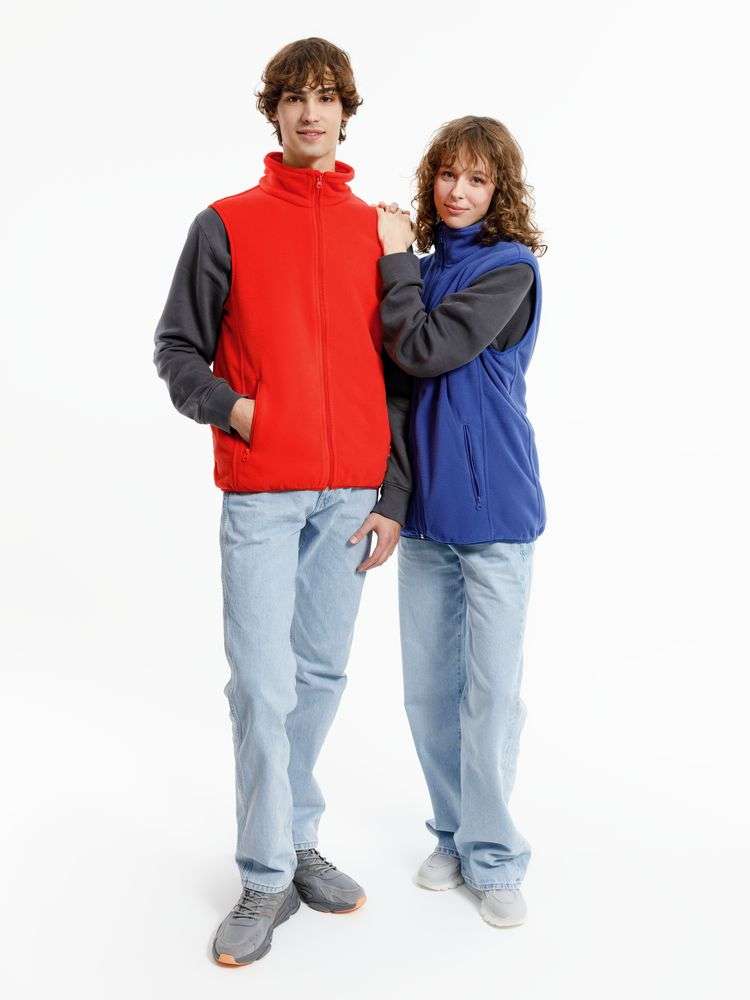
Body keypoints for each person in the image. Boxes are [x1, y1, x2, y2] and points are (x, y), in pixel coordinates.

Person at [152, 38, 412, 966]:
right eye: (294, 97)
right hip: (263, 491)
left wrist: (391, 491)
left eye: (327, 96)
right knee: (263, 686)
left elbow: (405, 369)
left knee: (321, 677)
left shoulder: (378, 231)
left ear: (347, 111)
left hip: (352, 495)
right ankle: (265, 876)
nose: (311, 111)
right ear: (274, 112)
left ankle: (298, 838)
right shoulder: (224, 223)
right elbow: (176, 348)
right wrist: (238, 410)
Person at [375, 116, 546, 928]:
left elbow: (423, 347)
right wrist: (392, 501)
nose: (458, 191)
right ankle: (451, 832)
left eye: (477, 179)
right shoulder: (420, 270)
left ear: (498, 190)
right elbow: (396, 398)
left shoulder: (510, 270)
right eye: (448, 174)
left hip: (496, 515)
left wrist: (393, 262)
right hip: (425, 520)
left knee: (491, 696)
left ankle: (495, 856)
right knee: (427, 697)